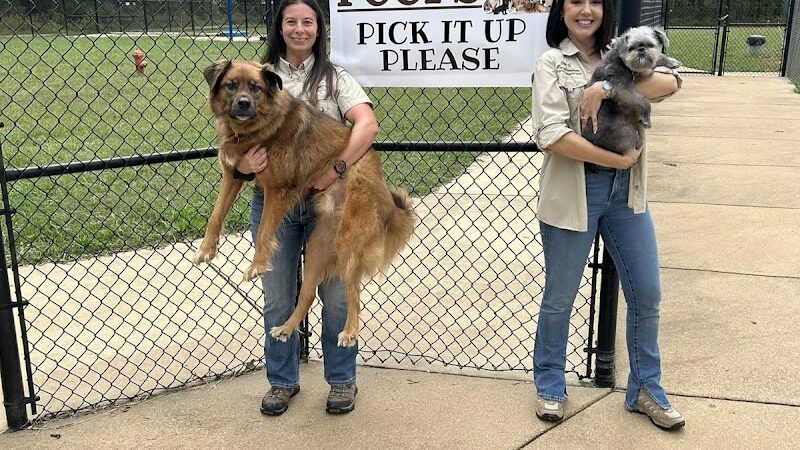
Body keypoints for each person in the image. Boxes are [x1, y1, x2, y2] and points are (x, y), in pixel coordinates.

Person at [530, 0, 685, 430]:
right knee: (560, 297)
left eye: (594, 2)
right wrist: (613, 158)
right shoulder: (551, 63)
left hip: (627, 196)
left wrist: (607, 88)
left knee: (647, 294)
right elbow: (551, 133)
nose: (586, 10)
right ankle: (549, 384)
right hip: (576, 190)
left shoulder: (625, 52)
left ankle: (645, 391)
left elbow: (670, 82)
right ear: (560, 11)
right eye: (575, 2)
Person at [235, 0, 379, 416]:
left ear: (319, 28)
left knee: (334, 297)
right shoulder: (257, 77)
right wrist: (242, 165)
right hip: (274, 204)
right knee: (277, 299)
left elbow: (366, 125)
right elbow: (233, 137)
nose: (300, 30)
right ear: (279, 28)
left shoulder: (335, 79)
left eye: (308, 22)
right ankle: (282, 382)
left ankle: (341, 381)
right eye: (291, 22)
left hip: (326, 203)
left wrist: (337, 169)